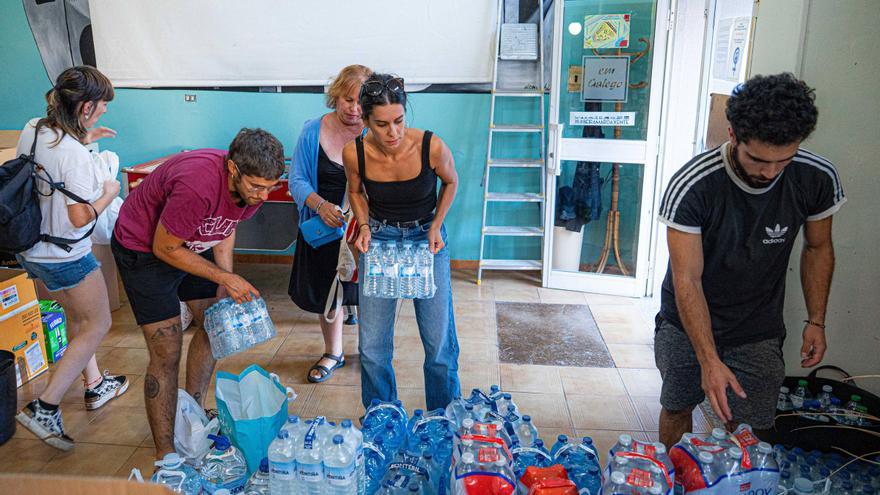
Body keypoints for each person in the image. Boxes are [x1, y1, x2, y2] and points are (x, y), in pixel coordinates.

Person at [655, 73, 845, 447]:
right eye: (758, 159)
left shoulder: (816, 177)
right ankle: (672, 479)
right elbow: (687, 280)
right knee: (677, 408)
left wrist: (816, 320)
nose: (770, 172)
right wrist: (708, 360)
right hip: (686, 321)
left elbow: (818, 247)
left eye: (783, 160)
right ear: (732, 134)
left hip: (758, 329)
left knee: (749, 428)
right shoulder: (693, 186)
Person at [111, 128, 285, 459]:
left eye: (270, 187)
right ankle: (166, 454)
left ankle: (192, 410)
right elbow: (164, 247)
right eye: (257, 187)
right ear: (233, 169)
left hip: (189, 240)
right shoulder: (198, 185)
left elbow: (226, 224)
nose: (263, 195)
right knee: (166, 352)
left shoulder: (250, 191)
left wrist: (226, 277)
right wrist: (223, 276)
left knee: (214, 323)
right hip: (144, 250)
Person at [14, 66, 128, 451]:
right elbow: (81, 216)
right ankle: (44, 406)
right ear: (86, 107)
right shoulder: (76, 157)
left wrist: (85, 138)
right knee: (96, 323)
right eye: (102, 107)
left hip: (29, 250)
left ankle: (95, 384)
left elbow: (49, 169)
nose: (105, 112)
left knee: (79, 319)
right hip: (66, 256)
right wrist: (109, 192)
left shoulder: (34, 128)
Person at [342, 73, 461, 411]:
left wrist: (437, 225)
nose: (392, 133)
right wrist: (363, 225)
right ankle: (383, 417)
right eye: (381, 124)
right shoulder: (355, 154)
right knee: (373, 345)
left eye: (398, 121)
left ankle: (443, 417)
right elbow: (355, 191)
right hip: (379, 238)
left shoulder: (430, 145)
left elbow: (451, 182)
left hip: (426, 238)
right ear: (365, 121)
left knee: (438, 342)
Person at [288, 64, 372, 383]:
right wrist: (320, 205)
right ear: (335, 96)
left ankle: (371, 351)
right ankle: (333, 352)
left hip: (363, 232)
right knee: (329, 293)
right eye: (347, 100)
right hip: (323, 229)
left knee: (368, 294)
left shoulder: (375, 132)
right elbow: (296, 180)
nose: (353, 109)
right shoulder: (312, 130)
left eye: (361, 101)